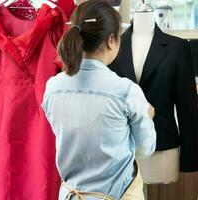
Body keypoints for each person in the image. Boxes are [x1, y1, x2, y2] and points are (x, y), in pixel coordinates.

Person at [42, 0, 156, 199]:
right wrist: (147, 117)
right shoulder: (126, 91)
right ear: (111, 40)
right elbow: (144, 149)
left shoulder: (53, 87)